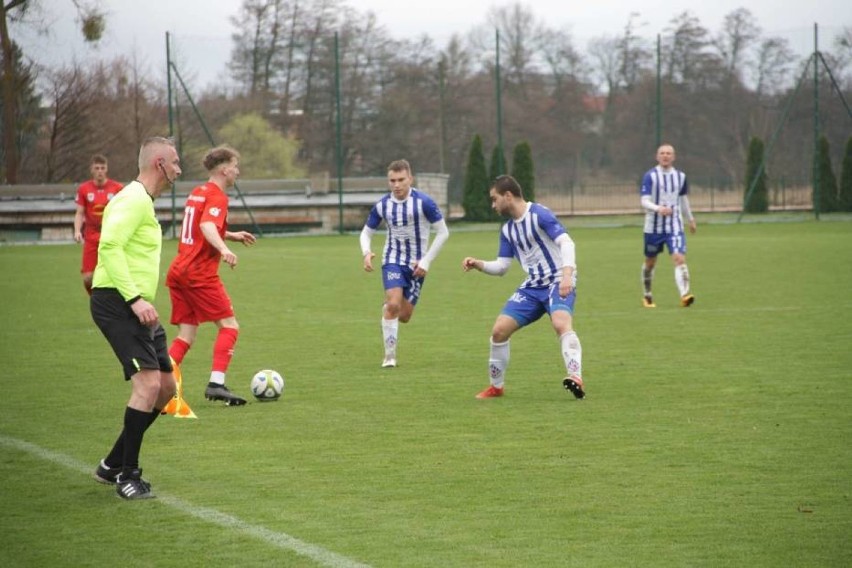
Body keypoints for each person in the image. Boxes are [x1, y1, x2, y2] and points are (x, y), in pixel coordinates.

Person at [89, 136, 182, 499]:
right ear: (159, 163)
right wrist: (134, 299)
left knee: (167, 388)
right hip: (119, 302)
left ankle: (112, 463)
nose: (179, 168)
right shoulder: (132, 199)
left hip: (139, 305)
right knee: (146, 386)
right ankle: (128, 476)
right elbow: (109, 246)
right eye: (175, 162)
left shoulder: (142, 200)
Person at [462, 174, 585, 400]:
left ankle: (575, 377)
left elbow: (566, 242)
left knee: (560, 323)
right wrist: (479, 264)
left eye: (494, 199)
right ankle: (496, 387)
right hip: (532, 287)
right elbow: (502, 267)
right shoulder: (508, 230)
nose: (493, 205)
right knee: (499, 330)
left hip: (558, 280)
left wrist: (567, 275)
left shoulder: (539, 214)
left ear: (508, 195)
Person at [166, 145, 256, 406]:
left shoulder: (197, 192)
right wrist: (224, 249)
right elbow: (206, 225)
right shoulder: (218, 196)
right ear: (225, 169)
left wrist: (230, 234)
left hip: (178, 270)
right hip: (198, 273)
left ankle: (160, 386)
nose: (237, 171)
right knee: (230, 326)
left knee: (186, 335)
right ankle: (216, 384)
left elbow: (199, 227)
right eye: (235, 166)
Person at [359, 159, 450, 368]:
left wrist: (426, 261)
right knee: (393, 305)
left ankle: (389, 311)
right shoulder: (383, 205)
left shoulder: (424, 202)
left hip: (418, 265)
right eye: (392, 180)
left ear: (410, 178)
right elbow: (366, 232)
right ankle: (389, 357)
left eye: (401, 180)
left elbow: (443, 232)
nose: (397, 185)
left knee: (405, 315)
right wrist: (366, 252)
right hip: (392, 260)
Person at [639, 143, 697, 308]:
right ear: (657, 157)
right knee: (650, 262)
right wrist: (659, 209)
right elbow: (644, 201)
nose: (665, 156)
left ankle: (685, 295)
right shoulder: (650, 176)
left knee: (679, 258)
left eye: (668, 153)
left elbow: (683, 199)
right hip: (653, 228)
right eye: (662, 153)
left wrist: (690, 219)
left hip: (675, 227)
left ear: (673, 157)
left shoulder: (681, 177)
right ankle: (647, 295)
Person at [74, 154, 123, 295]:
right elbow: (79, 213)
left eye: (102, 168)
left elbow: (125, 211)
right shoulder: (84, 189)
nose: (100, 171)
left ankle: (114, 304)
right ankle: (96, 300)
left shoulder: (117, 188)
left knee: (116, 275)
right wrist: (77, 231)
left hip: (111, 236)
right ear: (91, 170)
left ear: (107, 169)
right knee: (88, 278)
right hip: (91, 236)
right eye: (97, 168)